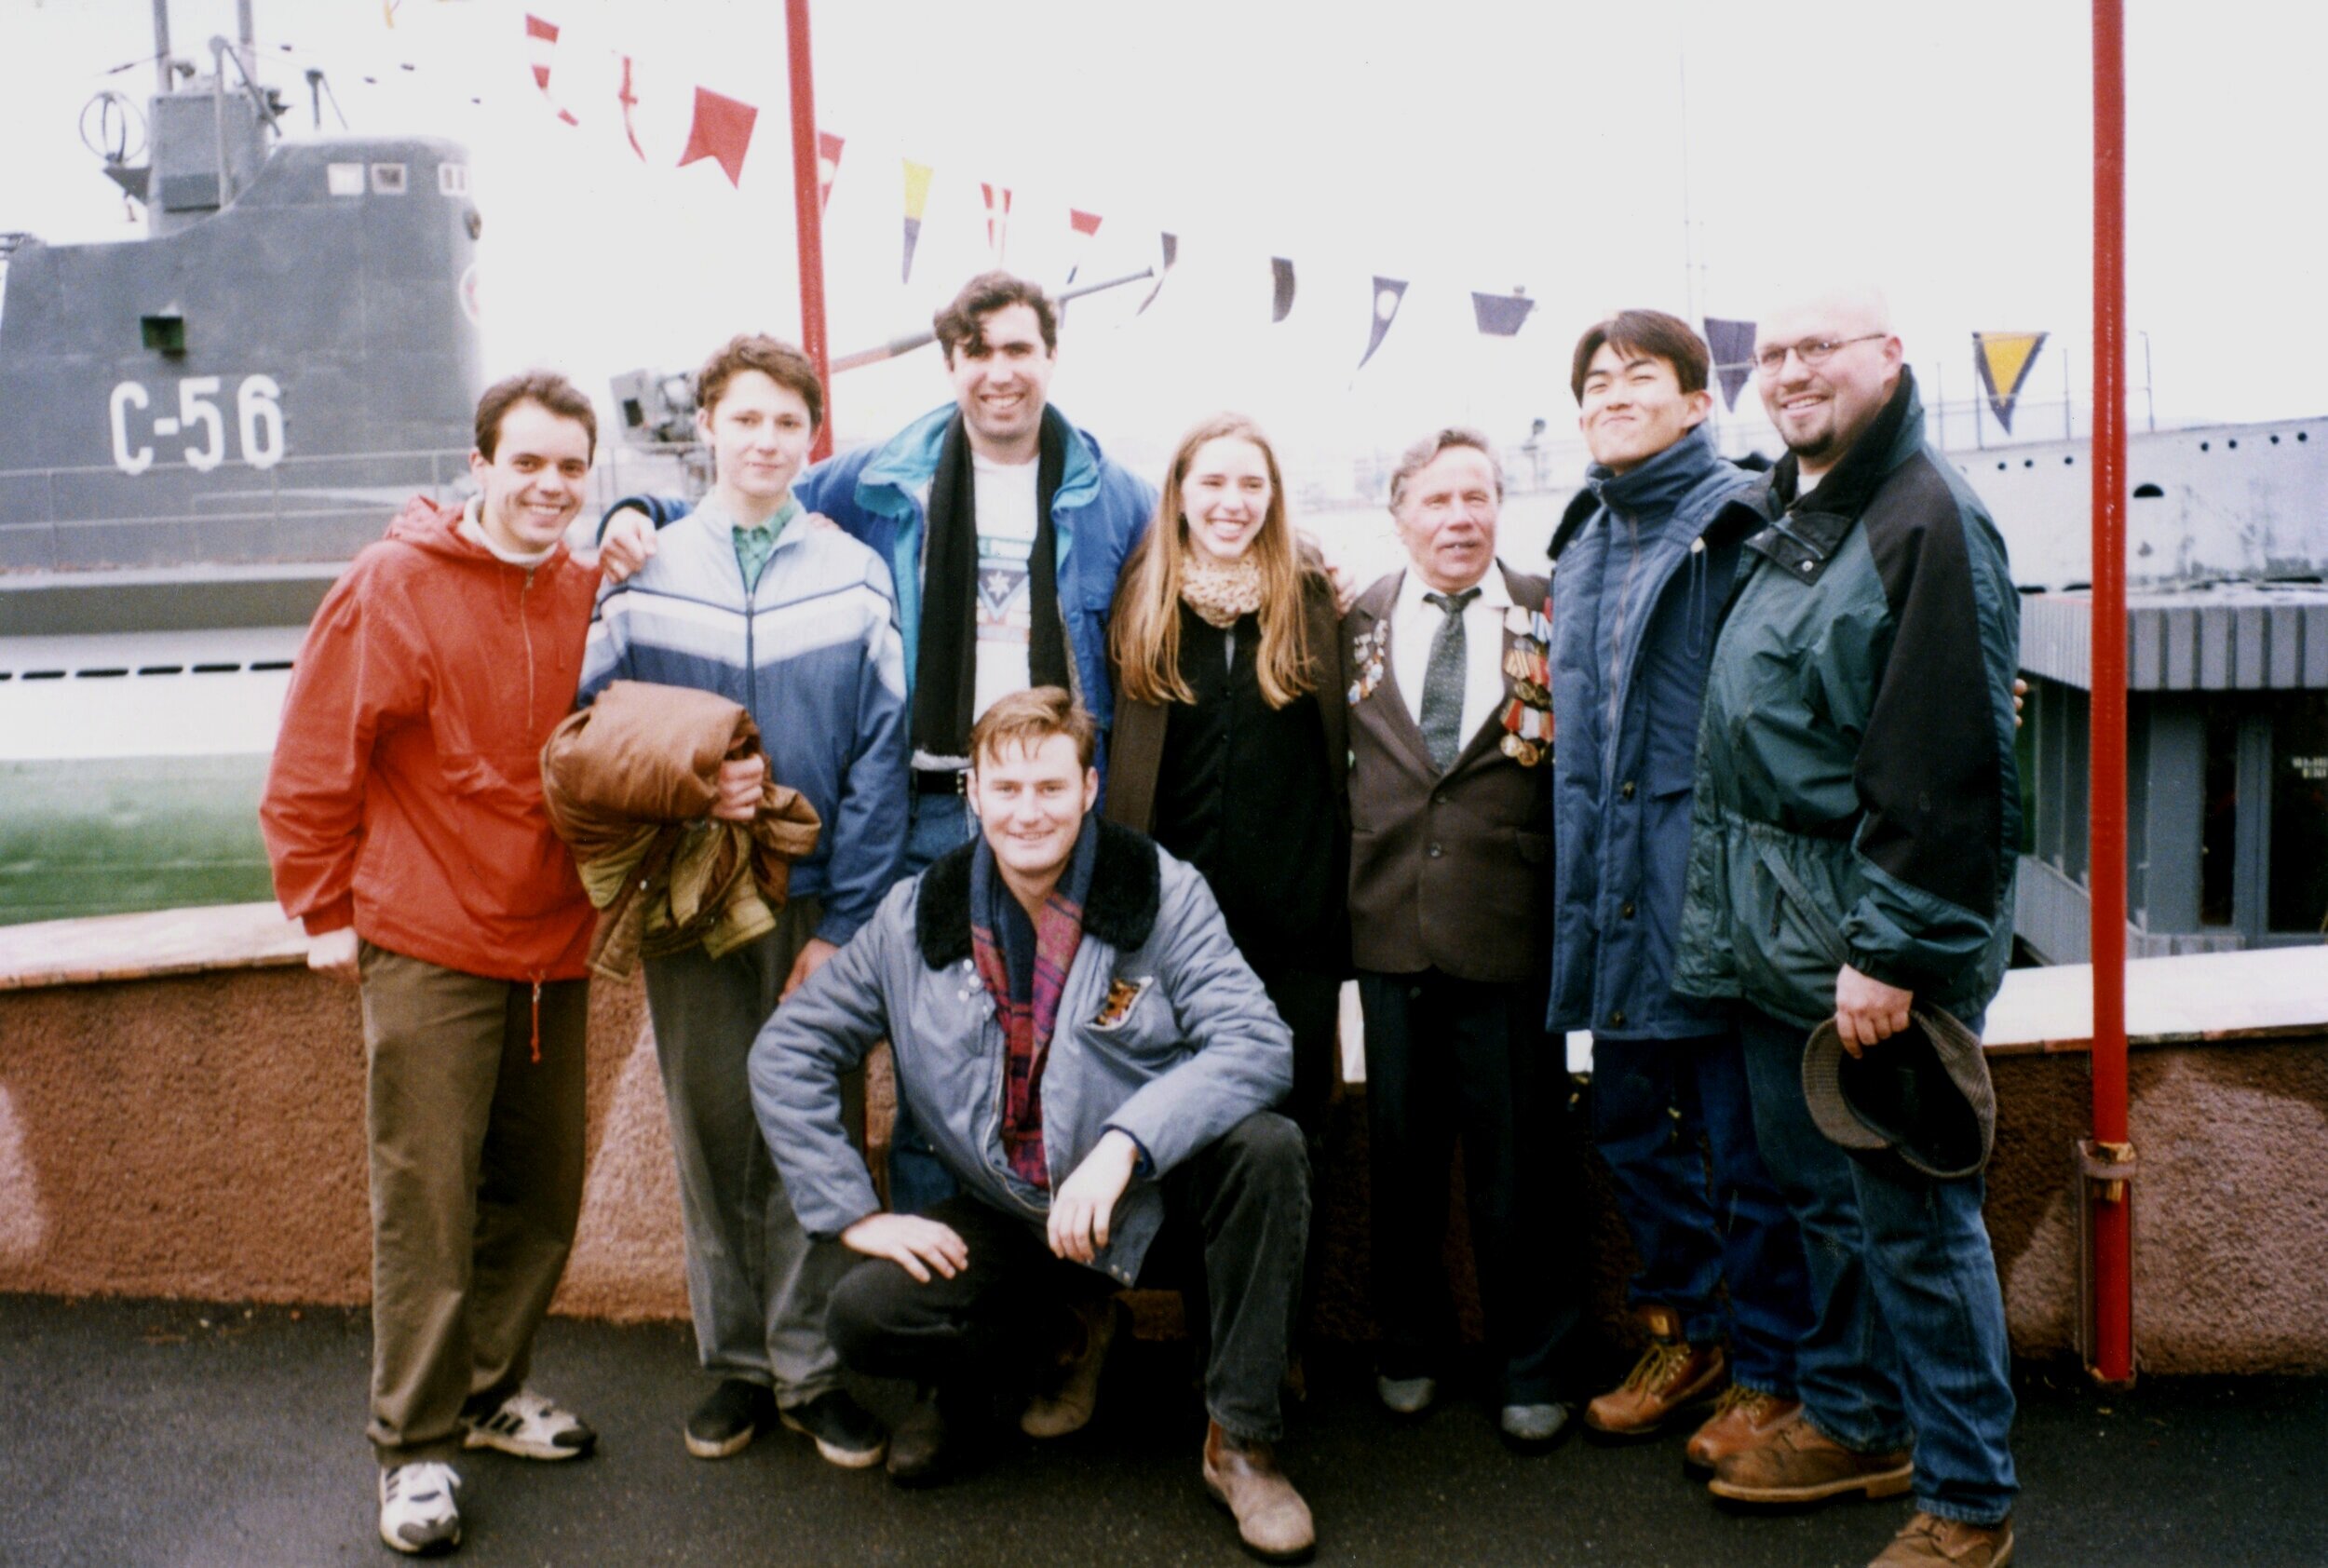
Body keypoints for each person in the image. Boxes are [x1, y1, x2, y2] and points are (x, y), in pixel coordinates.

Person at [602, 271, 1156, 1214]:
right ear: (949, 364)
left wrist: (1311, 560)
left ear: (1050, 358)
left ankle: (1051, 1313)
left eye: (1019, 349)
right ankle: (932, 1318)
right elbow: (743, 502)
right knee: (932, 1070)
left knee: (1058, 1060)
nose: (999, 372)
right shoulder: (878, 479)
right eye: (976, 352)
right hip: (930, 811)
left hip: (1053, 814)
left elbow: (1212, 548)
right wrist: (635, 516)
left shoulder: (1113, 498)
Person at [748, 689, 1318, 1561]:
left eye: (1051, 788)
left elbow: (1258, 1042)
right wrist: (855, 1210)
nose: (1028, 812)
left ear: (1090, 788)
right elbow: (788, 1049)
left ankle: (1239, 1442)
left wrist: (1127, 1146)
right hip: (1014, 1209)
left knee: (1268, 1151)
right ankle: (1059, 1336)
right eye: (1006, 789)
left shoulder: (1160, 893)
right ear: (971, 794)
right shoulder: (913, 918)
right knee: (865, 1315)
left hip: (1146, 1202)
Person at [1672, 288, 2024, 1568]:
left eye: (1821, 347)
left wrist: (1894, 950)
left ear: (1891, 357)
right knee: (1825, 1200)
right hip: (1790, 937)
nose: (1791, 372)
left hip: (1868, 950)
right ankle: (1859, 1419)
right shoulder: (1802, 506)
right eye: (1770, 354)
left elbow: (1947, 759)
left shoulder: (1926, 518)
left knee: (1916, 1227)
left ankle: (1971, 1505)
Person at [260, 372, 609, 1556]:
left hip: (551, 945)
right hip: (429, 941)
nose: (552, 485)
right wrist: (318, 905)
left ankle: (489, 1391)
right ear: (479, 464)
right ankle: (413, 1450)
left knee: (542, 1191)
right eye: (530, 462)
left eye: (573, 466)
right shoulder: (391, 583)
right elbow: (316, 753)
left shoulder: (582, 588)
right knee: (427, 1201)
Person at [579, 333, 907, 1469]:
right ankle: (736, 1367)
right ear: (707, 426)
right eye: (745, 418)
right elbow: (591, 731)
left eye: (787, 423)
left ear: (809, 437)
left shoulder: (855, 572)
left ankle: (812, 1369)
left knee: (811, 1128)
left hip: (813, 902)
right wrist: (680, 784)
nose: (766, 440)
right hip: (687, 896)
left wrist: (853, 920)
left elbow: (882, 753)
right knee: (713, 1129)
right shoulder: (644, 566)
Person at [1548, 313, 1814, 1466]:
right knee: (1625, 1129)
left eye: (1638, 377)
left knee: (1741, 1145)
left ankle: (1766, 1369)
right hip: (1607, 892)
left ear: (1699, 401)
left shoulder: (1748, 519)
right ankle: (1684, 1335)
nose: (1610, 394)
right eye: (1593, 381)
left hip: (1713, 893)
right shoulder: (1583, 536)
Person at [1342, 428, 1585, 1447]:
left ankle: (1534, 1362)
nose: (1459, 519)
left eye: (1477, 497)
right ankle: (1408, 1341)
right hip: (1387, 926)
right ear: (1399, 512)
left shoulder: (1549, 608)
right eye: (1437, 500)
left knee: (1518, 1164)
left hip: (1510, 933)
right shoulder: (1349, 620)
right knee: (1398, 1160)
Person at [1104, 411, 1347, 1174]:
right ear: (1178, 493)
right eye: (1212, 481)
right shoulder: (1142, 605)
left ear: (1274, 497)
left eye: (1252, 484)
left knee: (1299, 1132)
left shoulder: (1313, 602)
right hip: (1176, 933)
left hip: (1294, 930)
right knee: (1186, 1137)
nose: (1231, 502)